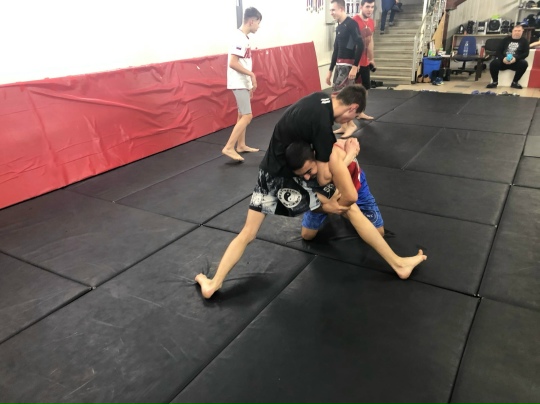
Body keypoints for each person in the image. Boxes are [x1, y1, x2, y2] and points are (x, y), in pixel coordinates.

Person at [195, 85, 368, 299]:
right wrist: (350, 154)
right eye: (354, 117)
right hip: (288, 179)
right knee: (342, 204)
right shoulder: (323, 126)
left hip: (267, 172)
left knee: (248, 232)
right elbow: (324, 177)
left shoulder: (318, 98)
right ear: (352, 108)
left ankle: (213, 283)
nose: (348, 122)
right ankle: (395, 262)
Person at [286, 139, 426, 279]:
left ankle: (399, 265)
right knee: (307, 235)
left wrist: (333, 206)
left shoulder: (334, 155)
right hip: (324, 192)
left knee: (376, 230)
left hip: (354, 187)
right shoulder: (296, 168)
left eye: (309, 171)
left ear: (317, 156)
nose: (306, 177)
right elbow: (304, 197)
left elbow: (346, 199)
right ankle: (399, 265)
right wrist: (326, 206)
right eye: (301, 175)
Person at [223, 7, 262, 162]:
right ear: (251, 21)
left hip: (242, 82)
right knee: (247, 115)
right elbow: (233, 63)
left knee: (241, 114)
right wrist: (251, 75)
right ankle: (228, 147)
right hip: (237, 82)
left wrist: (248, 83)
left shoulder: (244, 38)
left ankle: (241, 145)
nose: (259, 26)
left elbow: (243, 62)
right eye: (258, 22)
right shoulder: (238, 38)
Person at [326, 0, 365, 139]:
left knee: (340, 97)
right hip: (339, 65)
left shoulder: (351, 24)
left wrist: (354, 66)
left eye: (333, 10)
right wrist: (330, 70)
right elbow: (336, 50)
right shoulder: (339, 26)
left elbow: (360, 45)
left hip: (348, 65)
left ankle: (351, 125)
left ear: (341, 9)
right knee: (337, 96)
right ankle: (343, 126)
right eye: (330, 10)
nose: (331, 13)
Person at [352, 0, 376, 122]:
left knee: (365, 87)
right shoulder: (354, 21)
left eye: (372, 7)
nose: (370, 9)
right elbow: (350, 43)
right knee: (352, 89)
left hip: (365, 61)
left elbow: (370, 41)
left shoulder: (371, 22)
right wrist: (354, 63)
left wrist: (372, 58)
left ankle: (360, 112)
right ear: (361, 6)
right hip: (354, 62)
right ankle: (348, 116)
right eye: (367, 7)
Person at [486, 24, 530, 90]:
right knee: (493, 63)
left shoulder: (525, 41)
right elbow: (498, 51)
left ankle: (515, 82)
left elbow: (526, 53)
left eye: (519, 31)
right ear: (512, 31)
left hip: (516, 62)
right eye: (515, 30)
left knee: (524, 64)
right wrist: (503, 58)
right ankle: (494, 82)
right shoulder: (505, 40)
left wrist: (516, 59)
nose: (517, 32)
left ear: (522, 31)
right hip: (503, 61)